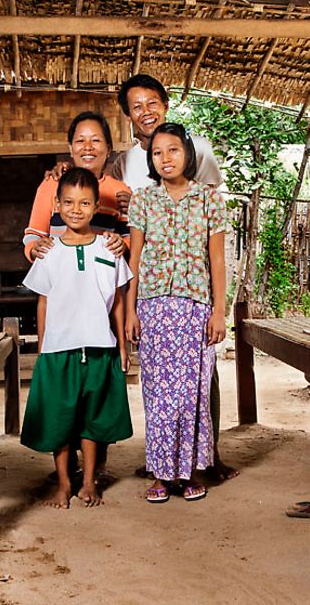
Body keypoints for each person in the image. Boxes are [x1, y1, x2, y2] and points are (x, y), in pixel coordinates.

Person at [114, 74, 236, 482]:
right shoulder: (128, 160)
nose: (144, 110)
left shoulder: (200, 159)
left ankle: (205, 461)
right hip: (153, 294)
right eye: (136, 106)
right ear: (128, 116)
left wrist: (219, 310)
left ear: (164, 105)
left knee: (200, 382)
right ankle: (164, 461)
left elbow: (215, 250)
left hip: (194, 293)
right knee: (159, 385)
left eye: (151, 102)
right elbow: (134, 243)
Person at [20, 168, 134, 508]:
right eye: (68, 202)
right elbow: (43, 300)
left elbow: (116, 301)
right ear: (57, 204)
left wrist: (122, 346)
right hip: (59, 348)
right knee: (60, 418)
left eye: (85, 203)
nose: (76, 209)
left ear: (97, 206)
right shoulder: (49, 250)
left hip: (100, 345)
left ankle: (88, 483)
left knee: (92, 418)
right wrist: (42, 348)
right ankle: (64, 484)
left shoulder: (109, 247)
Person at [126, 123, 227, 503]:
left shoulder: (210, 200)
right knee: (157, 394)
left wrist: (219, 312)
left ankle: (187, 475)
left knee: (191, 394)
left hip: (196, 307)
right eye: (157, 153)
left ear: (188, 154)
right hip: (153, 308)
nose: (165, 159)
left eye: (172, 150)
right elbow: (133, 260)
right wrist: (131, 311)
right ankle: (161, 475)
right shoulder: (143, 201)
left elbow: (217, 261)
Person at [23, 111, 132, 262]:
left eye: (95, 140)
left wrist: (124, 245)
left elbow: (129, 235)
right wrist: (34, 248)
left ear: (108, 149)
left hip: (102, 279)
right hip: (60, 277)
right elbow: (33, 234)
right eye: (80, 141)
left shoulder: (120, 191)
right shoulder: (52, 184)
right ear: (71, 149)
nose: (88, 147)